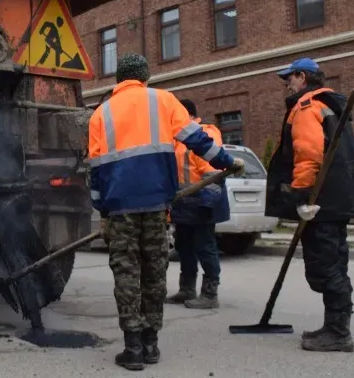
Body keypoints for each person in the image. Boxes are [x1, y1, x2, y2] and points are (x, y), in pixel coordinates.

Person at [88, 53, 244, 371]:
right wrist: (227, 162)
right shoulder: (163, 100)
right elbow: (197, 140)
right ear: (145, 77)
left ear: (119, 80)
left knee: (127, 274)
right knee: (155, 273)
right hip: (158, 205)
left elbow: (95, 171)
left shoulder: (99, 114)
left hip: (119, 208)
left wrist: (101, 210)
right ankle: (151, 345)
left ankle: (132, 349)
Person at [265, 57, 354, 353]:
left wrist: (300, 194)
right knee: (334, 263)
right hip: (336, 201)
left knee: (326, 267)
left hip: (321, 203)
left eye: (289, 79)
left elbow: (307, 155)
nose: (287, 84)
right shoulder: (331, 105)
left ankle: (338, 333)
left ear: (302, 77)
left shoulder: (307, 106)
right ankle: (334, 326)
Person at [165, 99, 229, 309]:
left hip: (200, 202)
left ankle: (210, 294)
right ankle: (187, 289)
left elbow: (212, 172)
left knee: (205, 247)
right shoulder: (177, 140)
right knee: (184, 248)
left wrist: (207, 204)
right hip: (183, 204)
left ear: (190, 116)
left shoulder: (205, 134)